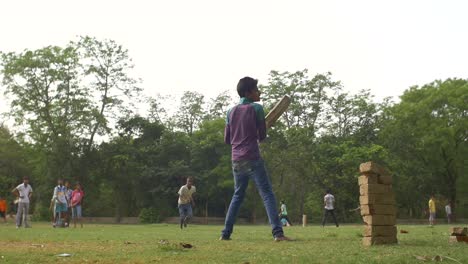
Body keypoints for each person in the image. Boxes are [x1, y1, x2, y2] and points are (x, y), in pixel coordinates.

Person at [220, 77, 290, 242]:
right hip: (252, 157)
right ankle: (278, 234)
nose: (259, 92)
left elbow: (226, 139)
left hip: (236, 160)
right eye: (256, 89)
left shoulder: (230, 112)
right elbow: (262, 135)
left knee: (237, 195)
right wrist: (256, 134)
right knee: (267, 194)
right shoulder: (256, 108)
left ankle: (225, 234)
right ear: (248, 92)